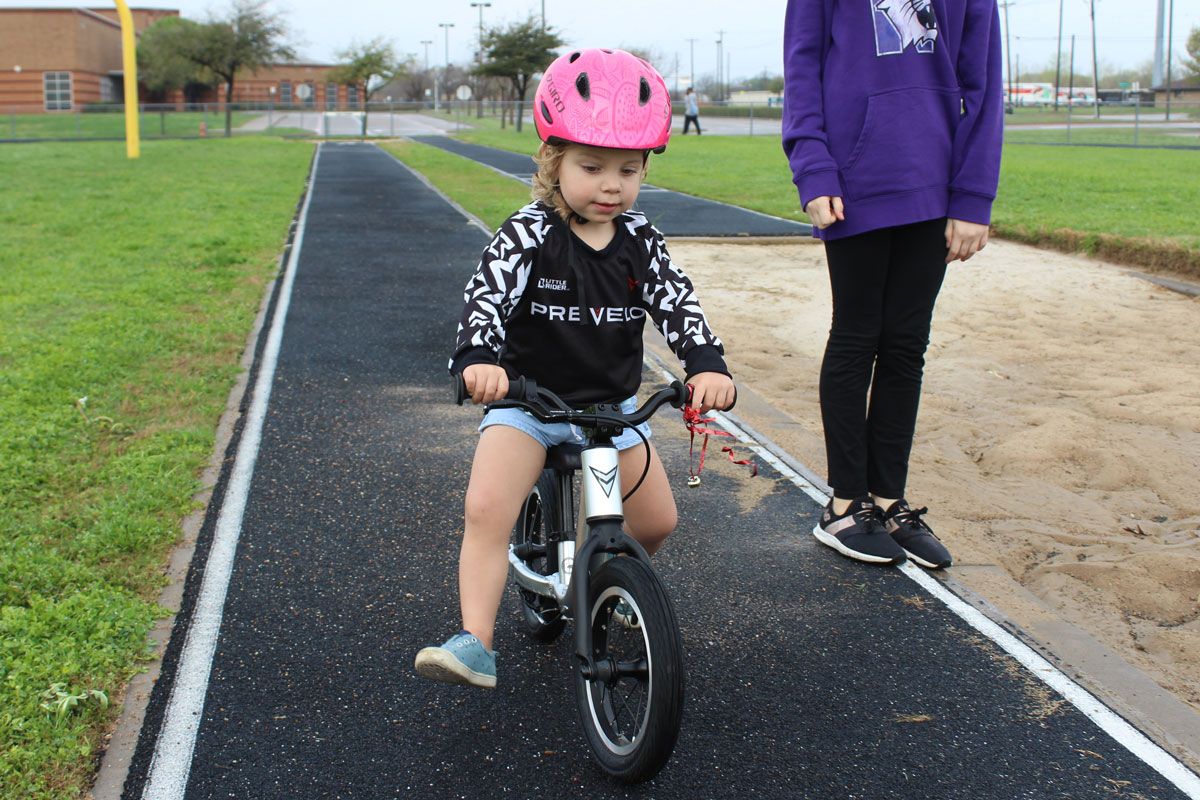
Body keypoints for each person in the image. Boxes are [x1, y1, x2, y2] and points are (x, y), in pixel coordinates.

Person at [415, 48, 736, 689]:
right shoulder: (529, 233)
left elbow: (677, 302)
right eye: (591, 167)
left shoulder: (641, 240)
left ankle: (614, 588)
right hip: (528, 405)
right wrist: (479, 359)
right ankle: (475, 640)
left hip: (611, 412)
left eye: (628, 169)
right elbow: (488, 295)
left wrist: (705, 362)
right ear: (553, 162)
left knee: (655, 523)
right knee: (487, 508)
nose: (610, 185)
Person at [782, 0, 1002, 569]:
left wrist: (973, 195)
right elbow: (803, 69)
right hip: (854, 182)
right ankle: (843, 504)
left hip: (934, 179)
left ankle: (887, 500)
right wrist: (813, 168)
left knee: (906, 345)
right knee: (857, 336)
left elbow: (982, 85)